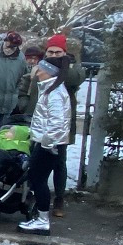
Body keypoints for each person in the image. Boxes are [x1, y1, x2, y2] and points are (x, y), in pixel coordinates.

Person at [18, 55, 72, 235]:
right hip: (46, 143)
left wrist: (47, 145)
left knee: (38, 180)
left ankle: (42, 220)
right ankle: (40, 218)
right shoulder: (50, 90)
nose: (37, 70)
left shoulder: (54, 94)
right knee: (36, 179)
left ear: (49, 72)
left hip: (49, 145)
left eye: (41, 68)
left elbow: (57, 125)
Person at [41, 34, 84, 218]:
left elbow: (74, 79)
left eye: (58, 52)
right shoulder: (41, 66)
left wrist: (60, 65)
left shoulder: (74, 67)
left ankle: (59, 198)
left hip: (62, 123)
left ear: (65, 52)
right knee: (37, 161)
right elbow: (29, 83)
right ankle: (36, 194)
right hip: (41, 119)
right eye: (50, 52)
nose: (54, 55)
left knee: (59, 162)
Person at [16, 44, 45, 118]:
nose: (32, 61)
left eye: (35, 59)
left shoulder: (41, 72)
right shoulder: (18, 68)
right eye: (29, 58)